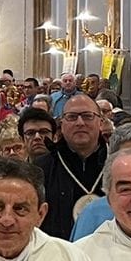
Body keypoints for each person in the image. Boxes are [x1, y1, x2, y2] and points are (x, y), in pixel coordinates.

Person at [37, 92, 109, 239]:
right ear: (62, 124)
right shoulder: (41, 168)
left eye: (88, 116)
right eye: (72, 117)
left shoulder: (118, 163)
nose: (80, 123)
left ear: (100, 123)